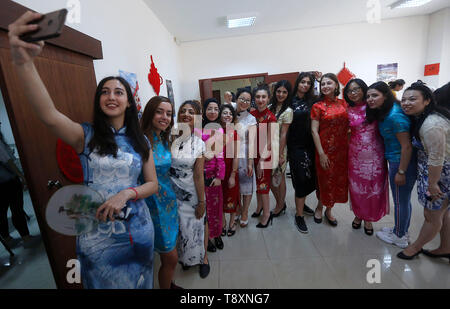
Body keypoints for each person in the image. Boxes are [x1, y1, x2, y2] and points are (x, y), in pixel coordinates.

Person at [8, 12, 159, 289]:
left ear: (128, 103)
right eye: (104, 91)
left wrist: (127, 192)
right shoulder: (85, 135)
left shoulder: (141, 141)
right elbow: (49, 115)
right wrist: (24, 62)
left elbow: (152, 184)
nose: (111, 96)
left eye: (118, 92)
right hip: (97, 235)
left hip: (137, 229)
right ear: (98, 99)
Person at [397, 82, 450, 261]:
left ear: (427, 100)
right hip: (436, 171)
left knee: (431, 214)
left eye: (412, 99)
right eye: (403, 99)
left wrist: (433, 184)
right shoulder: (423, 117)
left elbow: (437, 158)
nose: (406, 103)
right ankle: (445, 247)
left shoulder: (431, 125)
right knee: (444, 212)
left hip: (441, 174)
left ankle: (415, 248)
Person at [366, 81, 417, 249]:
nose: (370, 99)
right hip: (396, 160)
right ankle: (400, 230)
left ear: (386, 95)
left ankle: (400, 236)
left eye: (375, 95)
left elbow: (406, 146)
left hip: (400, 162)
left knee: (401, 201)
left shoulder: (395, 116)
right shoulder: (387, 113)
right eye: (368, 96)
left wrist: (401, 171)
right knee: (403, 199)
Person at [140, 96, 181, 289]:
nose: (165, 117)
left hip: (168, 204)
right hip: (150, 206)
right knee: (171, 257)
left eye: (169, 113)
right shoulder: (139, 141)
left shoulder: (164, 138)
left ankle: (169, 283)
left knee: (170, 253)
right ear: (149, 113)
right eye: (159, 112)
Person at [344, 79, 389, 236]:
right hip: (355, 154)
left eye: (356, 89)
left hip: (376, 154)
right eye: (350, 91)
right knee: (357, 187)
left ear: (363, 89)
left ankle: (368, 218)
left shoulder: (373, 106)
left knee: (372, 187)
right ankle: (358, 214)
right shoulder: (347, 109)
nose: (353, 93)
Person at [170, 101, 209, 278]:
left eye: (191, 112)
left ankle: (203, 258)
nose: (186, 114)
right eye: (183, 111)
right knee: (181, 229)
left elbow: (199, 176)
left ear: (197, 118)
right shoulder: (169, 138)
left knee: (196, 226)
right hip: (171, 194)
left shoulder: (199, 143)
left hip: (191, 194)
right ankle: (186, 258)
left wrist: (201, 202)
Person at [311, 73, 349, 226]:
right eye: (323, 84)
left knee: (337, 181)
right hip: (324, 150)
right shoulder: (317, 106)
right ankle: (319, 207)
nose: (325, 86)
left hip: (342, 151)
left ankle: (329, 209)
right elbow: (314, 131)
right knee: (325, 180)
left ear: (336, 85)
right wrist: (321, 153)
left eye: (329, 83)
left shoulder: (344, 103)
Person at [287, 72, 321, 233]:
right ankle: (299, 215)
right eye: (303, 82)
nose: (305, 85)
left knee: (309, 177)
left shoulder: (314, 101)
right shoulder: (290, 100)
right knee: (300, 178)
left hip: (311, 144)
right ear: (298, 83)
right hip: (295, 145)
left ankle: (303, 203)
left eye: (308, 82)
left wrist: (320, 80)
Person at [0, 128, 37, 248]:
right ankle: (25, 237)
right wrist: (21, 176)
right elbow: (8, 161)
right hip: (8, 181)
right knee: (17, 209)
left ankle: (7, 238)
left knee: (2, 211)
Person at [251, 84, 277, 228]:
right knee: (257, 183)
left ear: (268, 98)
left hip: (265, 156)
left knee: (263, 184)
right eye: (258, 97)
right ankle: (259, 207)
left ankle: (267, 214)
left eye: (263, 97)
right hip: (253, 154)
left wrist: (261, 161)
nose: (260, 99)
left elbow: (268, 142)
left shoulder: (271, 117)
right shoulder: (252, 115)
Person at [201, 98, 225, 253]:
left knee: (217, 207)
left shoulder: (220, 129)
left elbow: (220, 154)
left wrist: (219, 176)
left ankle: (217, 234)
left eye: (216, 109)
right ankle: (208, 237)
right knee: (206, 208)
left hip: (214, 175)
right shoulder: (197, 129)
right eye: (210, 108)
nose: (213, 112)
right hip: (200, 174)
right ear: (204, 110)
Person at [268, 80, 293, 218]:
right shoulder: (270, 107)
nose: (281, 94)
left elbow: (284, 134)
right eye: (279, 91)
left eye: (284, 92)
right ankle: (280, 203)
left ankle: (280, 204)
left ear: (288, 94)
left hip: (279, 149)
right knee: (270, 179)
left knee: (279, 177)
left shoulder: (288, 111)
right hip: (267, 147)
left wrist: (280, 155)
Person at [235, 89, 256, 228]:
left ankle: (245, 212)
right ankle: (237, 208)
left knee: (246, 185)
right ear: (236, 99)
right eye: (242, 99)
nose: (244, 102)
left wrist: (250, 163)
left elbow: (252, 142)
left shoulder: (251, 119)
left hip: (245, 154)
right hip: (230, 154)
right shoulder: (229, 114)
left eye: (247, 100)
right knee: (234, 185)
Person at [220, 104, 240, 237]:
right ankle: (222, 222)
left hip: (231, 169)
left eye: (230, 114)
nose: (228, 115)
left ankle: (233, 221)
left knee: (232, 194)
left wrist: (233, 175)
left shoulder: (234, 132)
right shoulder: (215, 131)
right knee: (220, 196)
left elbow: (236, 156)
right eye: (225, 113)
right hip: (218, 170)